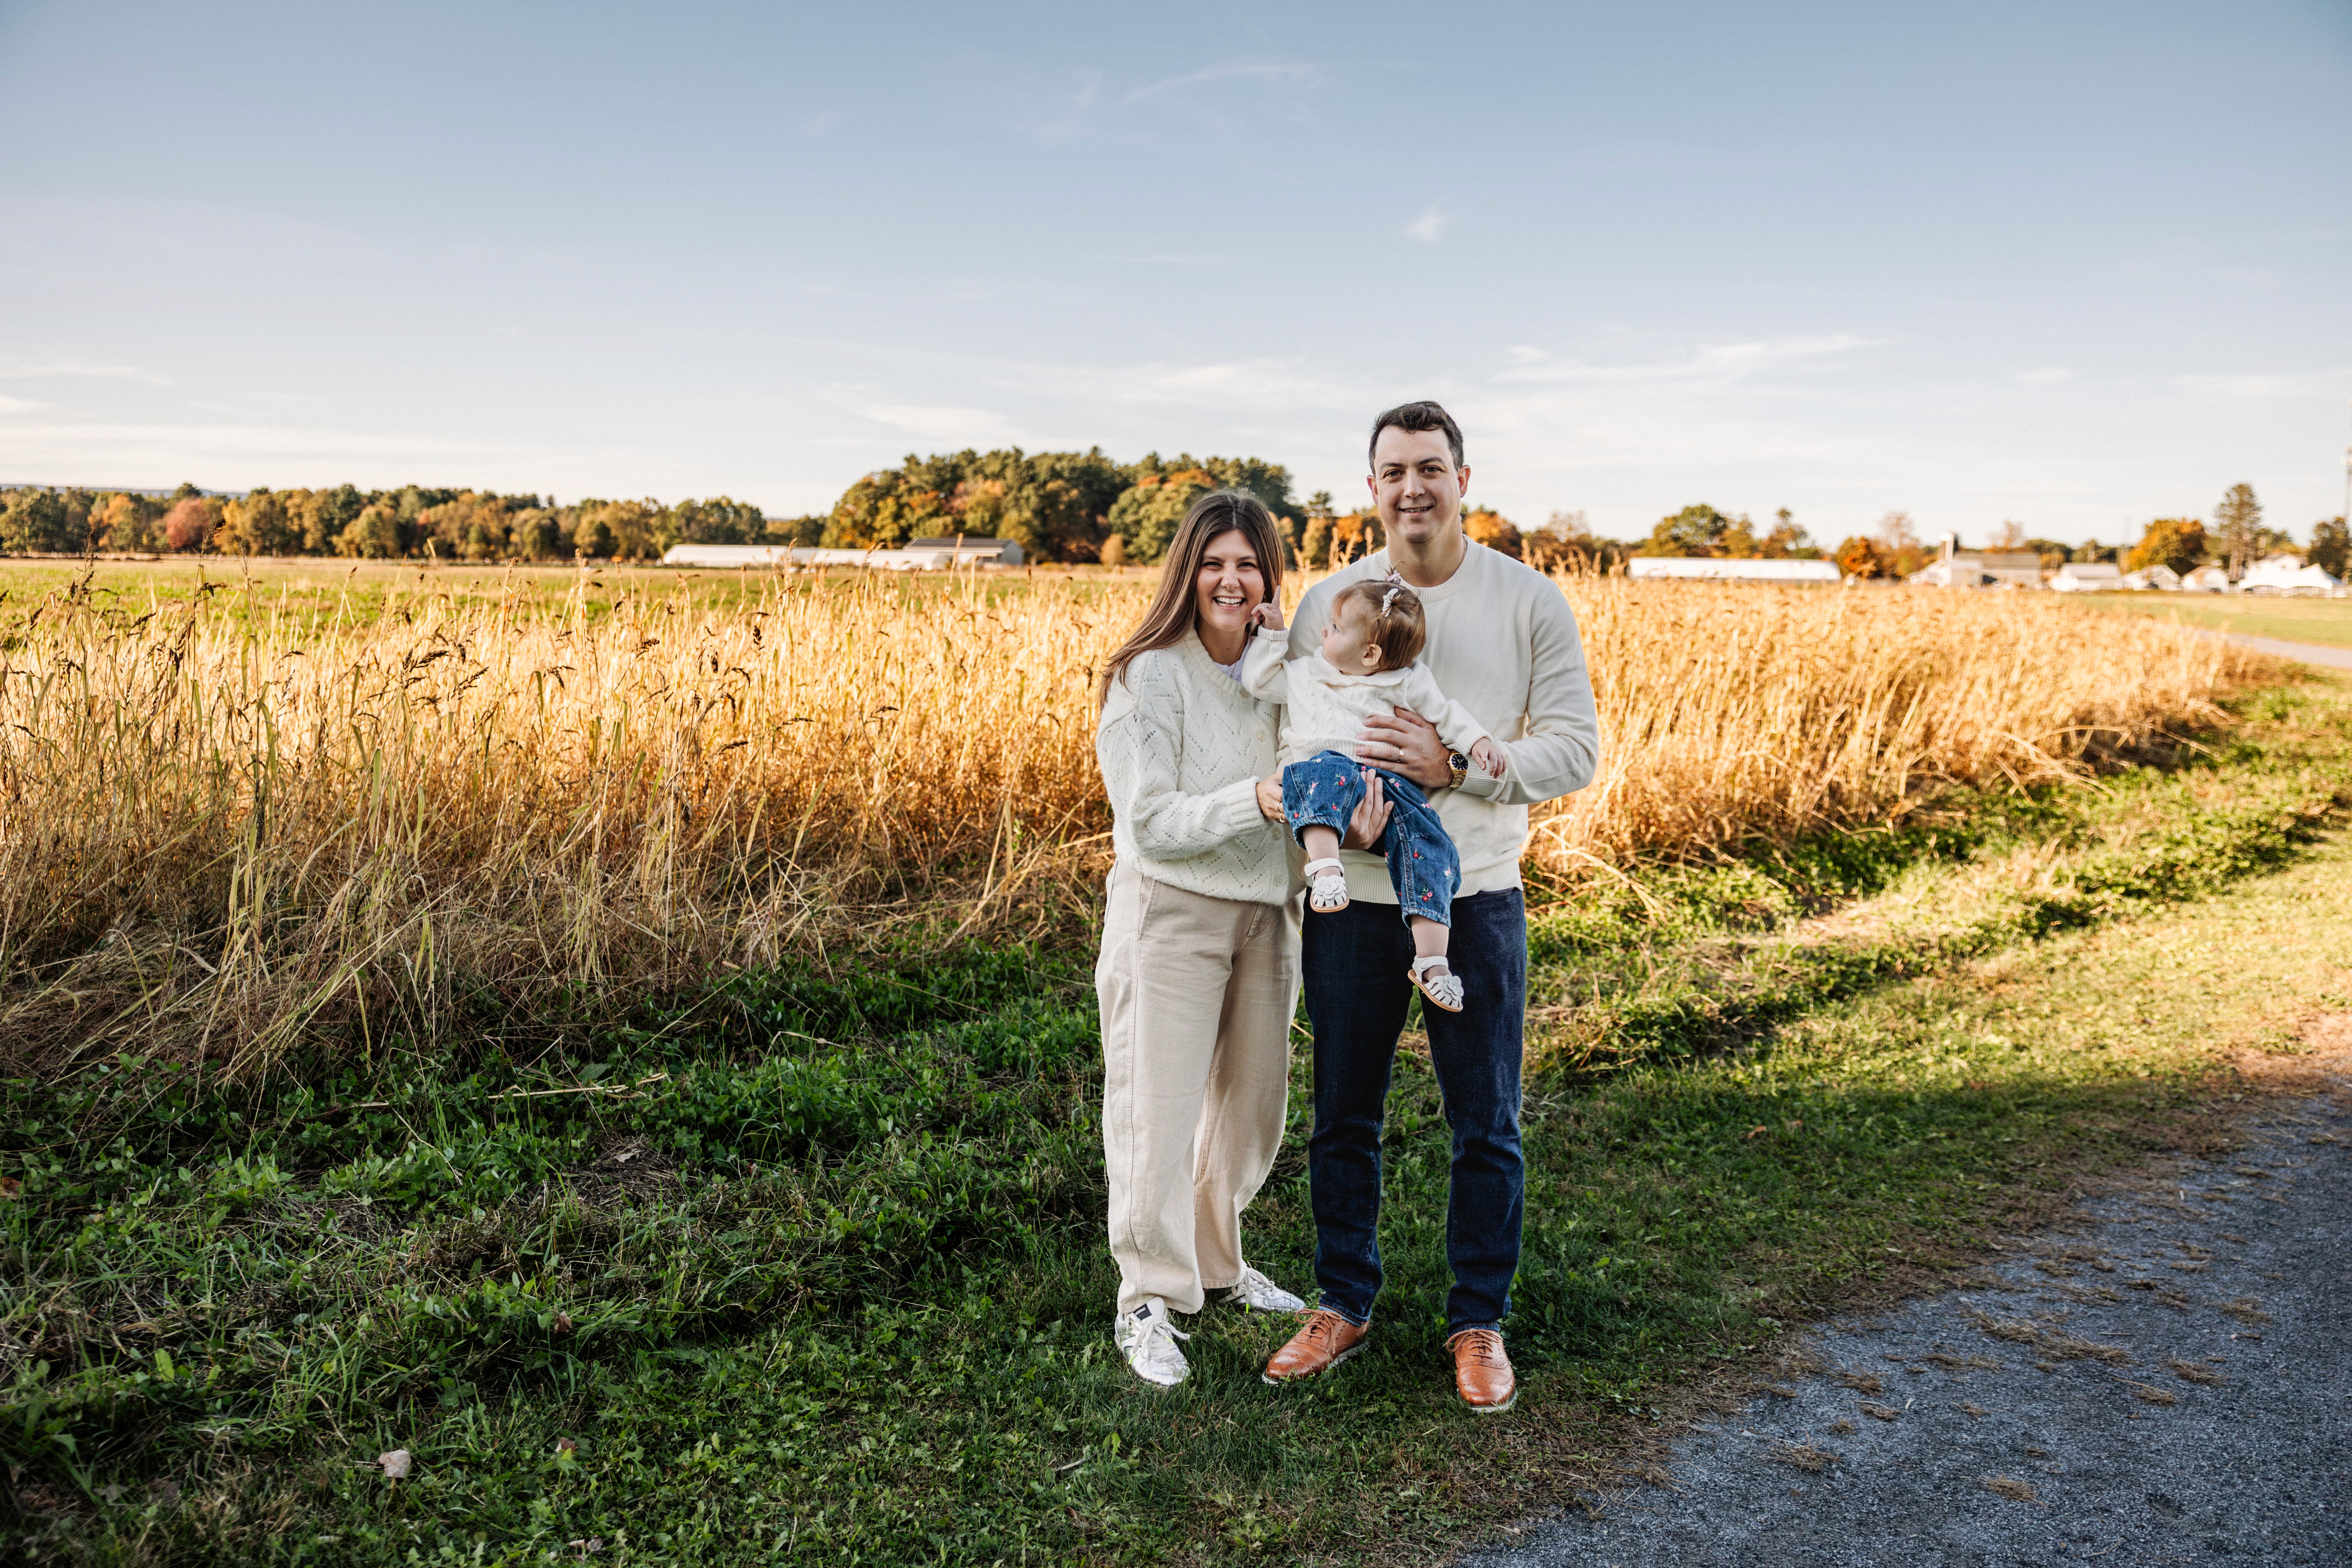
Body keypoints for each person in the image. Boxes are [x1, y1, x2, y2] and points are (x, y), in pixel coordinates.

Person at [1260, 401, 1600, 1414]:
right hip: (1350, 902)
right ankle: (1342, 1301)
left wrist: (1457, 769)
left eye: (1429, 468)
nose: (1412, 487)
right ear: (1371, 488)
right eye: (1393, 470)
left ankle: (1475, 1321)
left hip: (1477, 897)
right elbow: (1286, 733)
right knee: (1341, 1116)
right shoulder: (1331, 598)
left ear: (1462, 479)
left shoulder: (1527, 599)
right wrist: (1332, 818)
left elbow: (1574, 748)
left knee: (1484, 1121)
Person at [1092, 489, 1317, 1388]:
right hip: (1170, 910)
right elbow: (1149, 822)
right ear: (1188, 573)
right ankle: (1147, 1297)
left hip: (1269, 911)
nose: (1231, 579)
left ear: (1269, 576)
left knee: (1251, 1108)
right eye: (1214, 562)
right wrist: (1256, 800)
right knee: (1159, 1107)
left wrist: (1291, 656)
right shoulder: (1151, 673)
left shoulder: (1283, 670)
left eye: (1248, 563)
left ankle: (1218, 1267)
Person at [1238, 576, 1506, 1013]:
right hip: (1324, 776)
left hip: (1388, 788)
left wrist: (1476, 743)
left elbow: (1447, 715)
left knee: (1431, 844)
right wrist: (1272, 633)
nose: (1325, 633)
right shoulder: (1306, 673)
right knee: (1319, 771)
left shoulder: (1408, 681)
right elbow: (1259, 680)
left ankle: (1432, 960)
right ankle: (1326, 870)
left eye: (1337, 628)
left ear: (1370, 654)